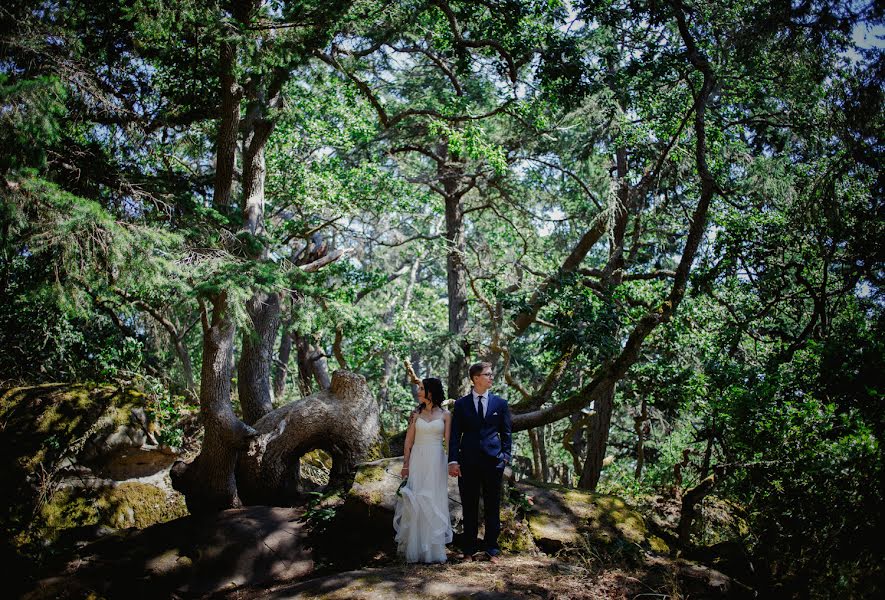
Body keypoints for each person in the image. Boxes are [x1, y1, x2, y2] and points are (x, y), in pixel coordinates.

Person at [448, 362, 512, 561]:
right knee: (469, 506)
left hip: (494, 462)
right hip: (468, 462)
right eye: (488, 374)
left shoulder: (500, 404)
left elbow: (506, 433)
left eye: (491, 374)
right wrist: (453, 461)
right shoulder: (461, 404)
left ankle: (492, 549)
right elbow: (455, 435)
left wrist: (505, 457)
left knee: (493, 506)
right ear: (476, 378)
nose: (492, 377)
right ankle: (469, 550)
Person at [393, 377, 453, 563]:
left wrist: (452, 463)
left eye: (421, 388)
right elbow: (408, 442)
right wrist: (406, 465)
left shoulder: (446, 415)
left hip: (436, 460)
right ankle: (416, 549)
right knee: (417, 499)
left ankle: (433, 551)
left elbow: (449, 443)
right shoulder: (415, 414)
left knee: (433, 499)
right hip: (418, 459)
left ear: (431, 391)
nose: (418, 391)